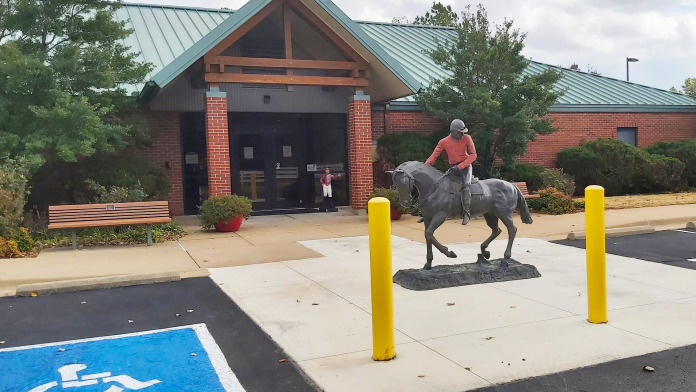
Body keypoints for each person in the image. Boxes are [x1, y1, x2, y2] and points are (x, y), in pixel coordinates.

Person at [425, 119, 477, 225]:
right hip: (453, 168)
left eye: (463, 132)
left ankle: (466, 212)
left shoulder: (467, 138)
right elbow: (434, 155)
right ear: (453, 131)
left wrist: (460, 166)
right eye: (459, 132)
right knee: (441, 184)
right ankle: (431, 211)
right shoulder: (443, 142)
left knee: (466, 185)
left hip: (465, 166)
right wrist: (425, 166)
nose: (462, 134)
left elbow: (473, 155)